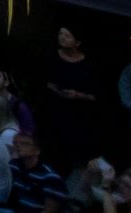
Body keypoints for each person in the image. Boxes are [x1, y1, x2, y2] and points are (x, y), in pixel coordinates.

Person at [41, 26, 103, 171]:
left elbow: (96, 95)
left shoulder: (88, 65)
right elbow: (43, 80)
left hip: (76, 114)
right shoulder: (51, 57)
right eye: (61, 33)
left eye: (67, 35)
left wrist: (78, 95)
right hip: (52, 109)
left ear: (77, 42)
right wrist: (53, 89)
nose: (62, 37)